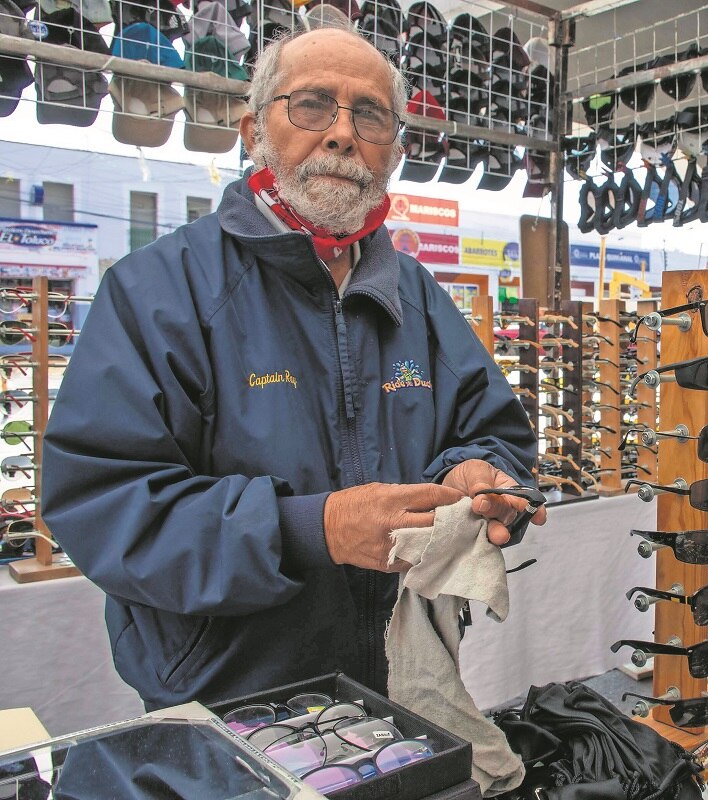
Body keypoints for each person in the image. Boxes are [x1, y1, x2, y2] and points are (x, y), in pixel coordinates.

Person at [41, 24, 543, 711]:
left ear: (394, 148)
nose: (341, 133)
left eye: (369, 113)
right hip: (229, 694)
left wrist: (475, 479)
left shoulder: (417, 297)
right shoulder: (158, 290)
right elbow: (104, 506)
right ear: (255, 129)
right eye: (311, 104)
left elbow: (495, 437)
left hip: (402, 680)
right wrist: (312, 528)